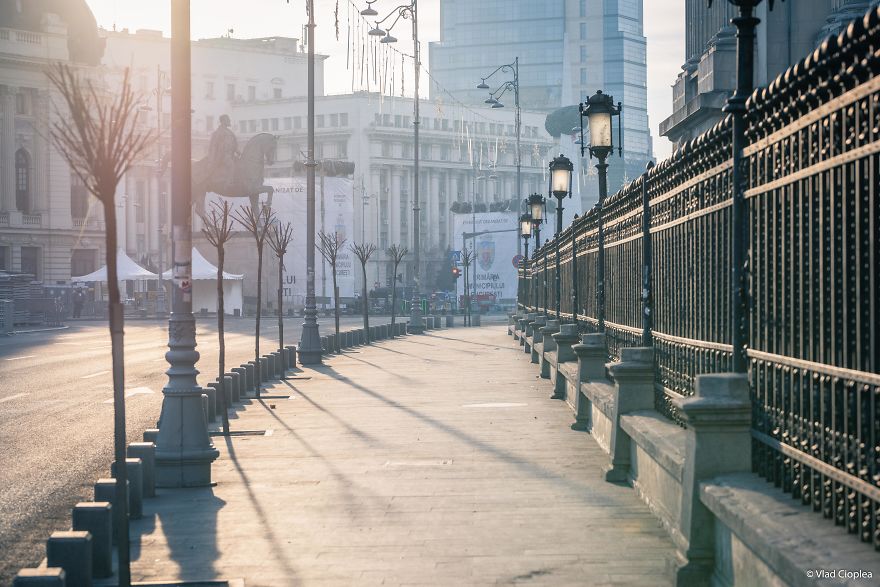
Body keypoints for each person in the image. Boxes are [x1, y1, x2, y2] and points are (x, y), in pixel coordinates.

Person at [206, 114, 238, 192]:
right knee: (231, 166)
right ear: (223, 121)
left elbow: (233, 144)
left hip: (231, 155)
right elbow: (213, 146)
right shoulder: (218, 132)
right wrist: (211, 159)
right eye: (228, 120)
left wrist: (238, 151)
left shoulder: (230, 132)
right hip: (222, 156)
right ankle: (229, 184)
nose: (229, 121)